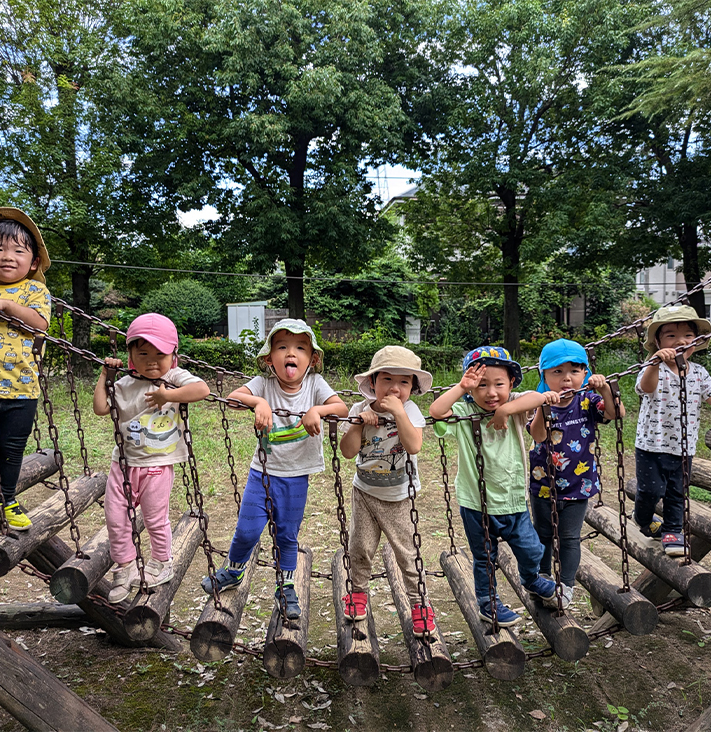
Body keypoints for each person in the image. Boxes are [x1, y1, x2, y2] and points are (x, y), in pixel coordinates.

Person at [201, 318, 347, 619]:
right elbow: (233, 398)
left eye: (299, 348)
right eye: (282, 347)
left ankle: (286, 585)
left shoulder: (315, 385)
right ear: (270, 358)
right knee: (246, 531)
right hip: (262, 474)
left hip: (296, 477)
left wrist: (317, 410)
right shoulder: (264, 385)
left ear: (312, 359)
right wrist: (258, 403)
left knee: (286, 536)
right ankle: (234, 570)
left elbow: (341, 409)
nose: (290, 353)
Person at [429, 346, 557, 627]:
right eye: (481, 385)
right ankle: (488, 603)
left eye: (499, 384)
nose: (491, 392)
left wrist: (505, 411)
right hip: (477, 504)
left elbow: (538, 396)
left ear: (511, 384)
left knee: (533, 550)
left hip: (513, 500)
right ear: (471, 388)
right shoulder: (464, 411)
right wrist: (462, 387)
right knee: (485, 558)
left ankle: (531, 578)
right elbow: (437, 411)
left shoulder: (516, 406)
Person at [93, 313, 210, 603]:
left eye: (161, 354)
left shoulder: (173, 378)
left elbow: (202, 389)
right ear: (131, 355)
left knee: (155, 518)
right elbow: (99, 408)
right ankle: (125, 566)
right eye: (143, 353)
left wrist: (168, 396)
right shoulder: (122, 384)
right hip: (122, 463)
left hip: (157, 466)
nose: (152, 361)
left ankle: (162, 562)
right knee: (115, 517)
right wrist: (105, 375)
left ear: (173, 356)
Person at [339, 346, 435, 637]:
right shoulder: (359, 410)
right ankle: (357, 593)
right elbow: (347, 451)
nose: (395, 388)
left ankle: (419, 605)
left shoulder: (410, 411)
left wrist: (398, 413)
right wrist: (358, 424)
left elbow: (414, 445)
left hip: (399, 498)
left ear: (412, 388)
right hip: (365, 492)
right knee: (360, 547)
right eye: (387, 380)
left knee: (407, 555)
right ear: (373, 383)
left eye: (404, 382)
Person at [528, 339, 623, 608]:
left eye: (575, 371)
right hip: (543, 483)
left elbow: (615, 413)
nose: (566, 378)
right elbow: (538, 434)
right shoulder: (536, 400)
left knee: (569, 538)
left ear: (585, 373)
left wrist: (604, 389)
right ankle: (543, 577)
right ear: (544, 375)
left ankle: (566, 585)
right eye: (557, 372)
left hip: (578, 485)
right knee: (543, 535)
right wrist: (542, 407)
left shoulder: (588, 400)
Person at [633, 305, 711, 557]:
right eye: (671, 336)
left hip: (684, 447)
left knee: (677, 492)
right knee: (651, 491)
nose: (680, 341)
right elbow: (646, 388)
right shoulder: (653, 369)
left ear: (696, 341)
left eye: (688, 335)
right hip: (650, 446)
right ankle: (642, 517)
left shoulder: (700, 373)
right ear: (658, 342)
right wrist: (655, 363)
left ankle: (673, 531)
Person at [0, 208, 52, 531]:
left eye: (18, 250)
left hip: (21, 390)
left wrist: (6, 306)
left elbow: (40, 324)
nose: (7, 257)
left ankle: (8, 498)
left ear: (33, 261)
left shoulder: (36, 291)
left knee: (12, 448)